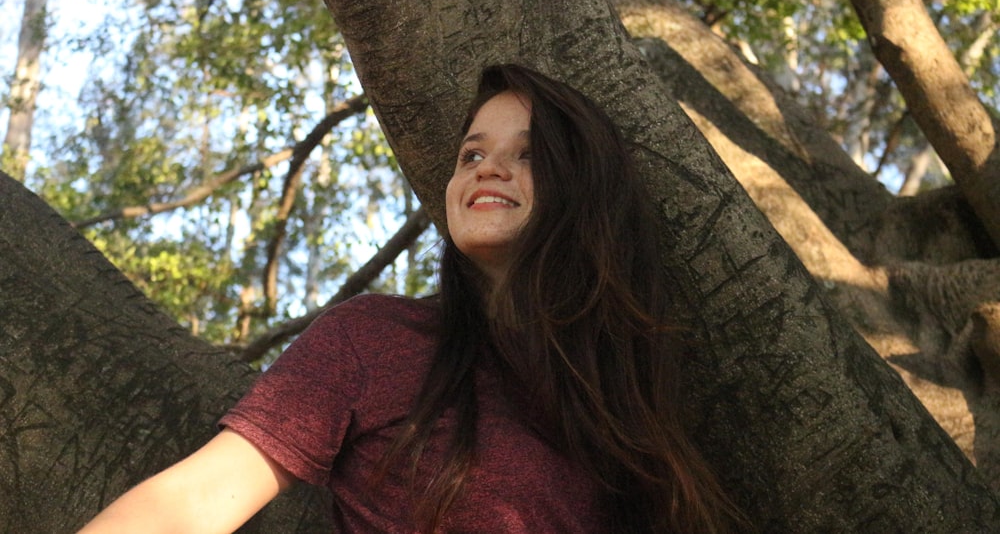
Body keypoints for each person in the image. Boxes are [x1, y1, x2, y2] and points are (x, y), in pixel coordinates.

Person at [78, 64, 745, 533]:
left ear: (583, 189)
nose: (487, 166)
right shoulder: (375, 339)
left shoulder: (630, 403)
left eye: (527, 153)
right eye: (470, 154)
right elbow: (191, 504)